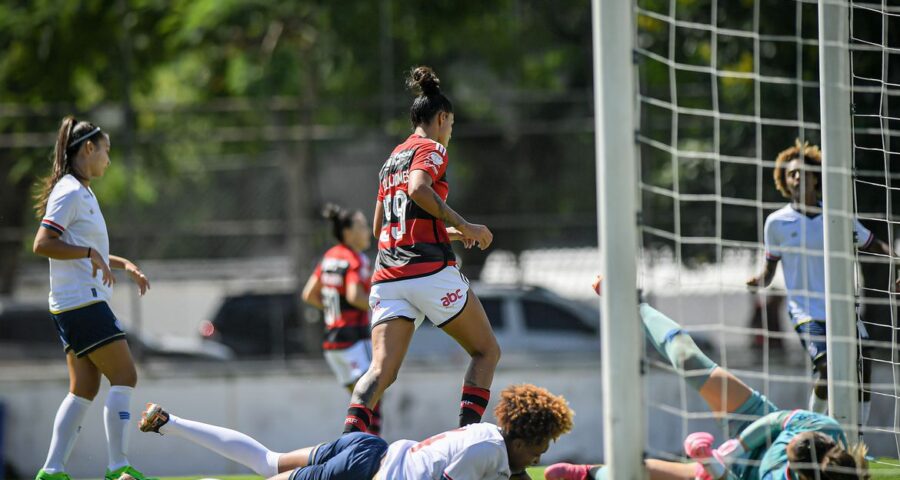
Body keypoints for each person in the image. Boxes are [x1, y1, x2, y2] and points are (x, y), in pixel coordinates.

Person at [544, 278, 869, 480]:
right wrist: (735, 447)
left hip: (742, 476)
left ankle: (591, 474)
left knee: (669, 474)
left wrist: (713, 464)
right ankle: (633, 303)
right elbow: (778, 422)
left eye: (789, 455)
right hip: (757, 420)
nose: (789, 449)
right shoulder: (827, 431)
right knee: (689, 360)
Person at [342, 65, 501, 434]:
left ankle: (347, 448)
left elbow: (383, 228)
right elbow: (417, 189)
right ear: (442, 118)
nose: (450, 134)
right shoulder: (431, 149)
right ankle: (465, 441)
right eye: (451, 126)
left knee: (380, 371)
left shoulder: (389, 160)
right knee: (486, 352)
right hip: (428, 273)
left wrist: (446, 232)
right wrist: (465, 225)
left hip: (387, 278)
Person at [31, 116, 154, 480]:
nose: (108, 160)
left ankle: (52, 471)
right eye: (106, 151)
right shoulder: (69, 190)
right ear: (88, 148)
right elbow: (43, 243)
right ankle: (118, 468)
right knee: (126, 375)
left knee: (84, 388)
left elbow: (89, 248)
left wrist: (122, 263)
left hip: (73, 304)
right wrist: (89, 254)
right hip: (81, 303)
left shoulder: (80, 190)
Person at [138, 383, 574, 480]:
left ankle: (169, 422)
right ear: (518, 439)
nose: (540, 457)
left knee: (269, 462)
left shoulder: (488, 439)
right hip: (362, 473)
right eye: (539, 447)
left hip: (367, 448)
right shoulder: (487, 454)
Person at [746, 140, 893, 425]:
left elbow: (871, 243)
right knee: (827, 367)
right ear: (785, 182)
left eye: (803, 172)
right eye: (791, 174)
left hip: (842, 309)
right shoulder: (776, 222)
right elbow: (769, 268)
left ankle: (856, 439)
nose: (797, 177)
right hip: (806, 311)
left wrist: (897, 260)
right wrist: (758, 281)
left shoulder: (837, 216)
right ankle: (812, 429)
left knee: (862, 364)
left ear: (816, 177)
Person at [301, 204, 382, 434]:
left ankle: (360, 450)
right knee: (371, 401)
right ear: (348, 233)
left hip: (332, 343)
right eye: (363, 226)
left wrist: (332, 310)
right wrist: (380, 304)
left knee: (361, 402)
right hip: (353, 339)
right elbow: (354, 295)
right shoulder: (355, 259)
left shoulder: (329, 257)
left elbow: (309, 294)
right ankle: (368, 455)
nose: (368, 231)